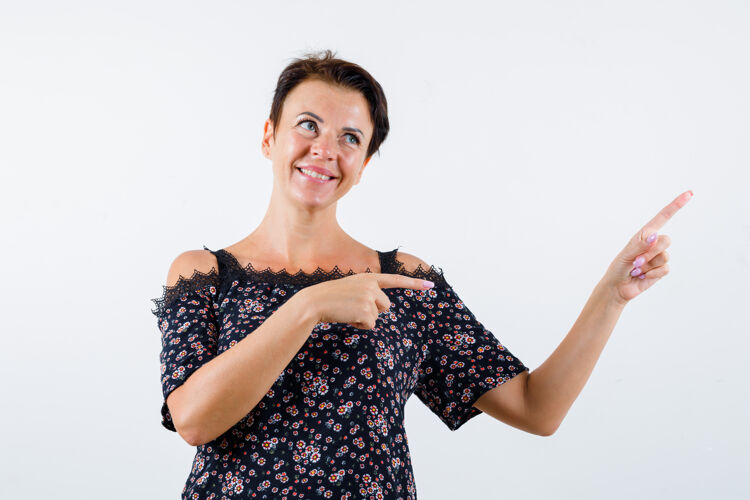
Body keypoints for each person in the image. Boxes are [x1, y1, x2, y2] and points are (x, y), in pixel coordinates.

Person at [151, 49, 690, 499]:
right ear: (269, 136)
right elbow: (195, 420)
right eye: (308, 125)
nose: (325, 149)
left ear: (364, 164)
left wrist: (611, 296)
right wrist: (310, 306)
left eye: (350, 138)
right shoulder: (203, 274)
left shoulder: (404, 282)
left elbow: (536, 408)